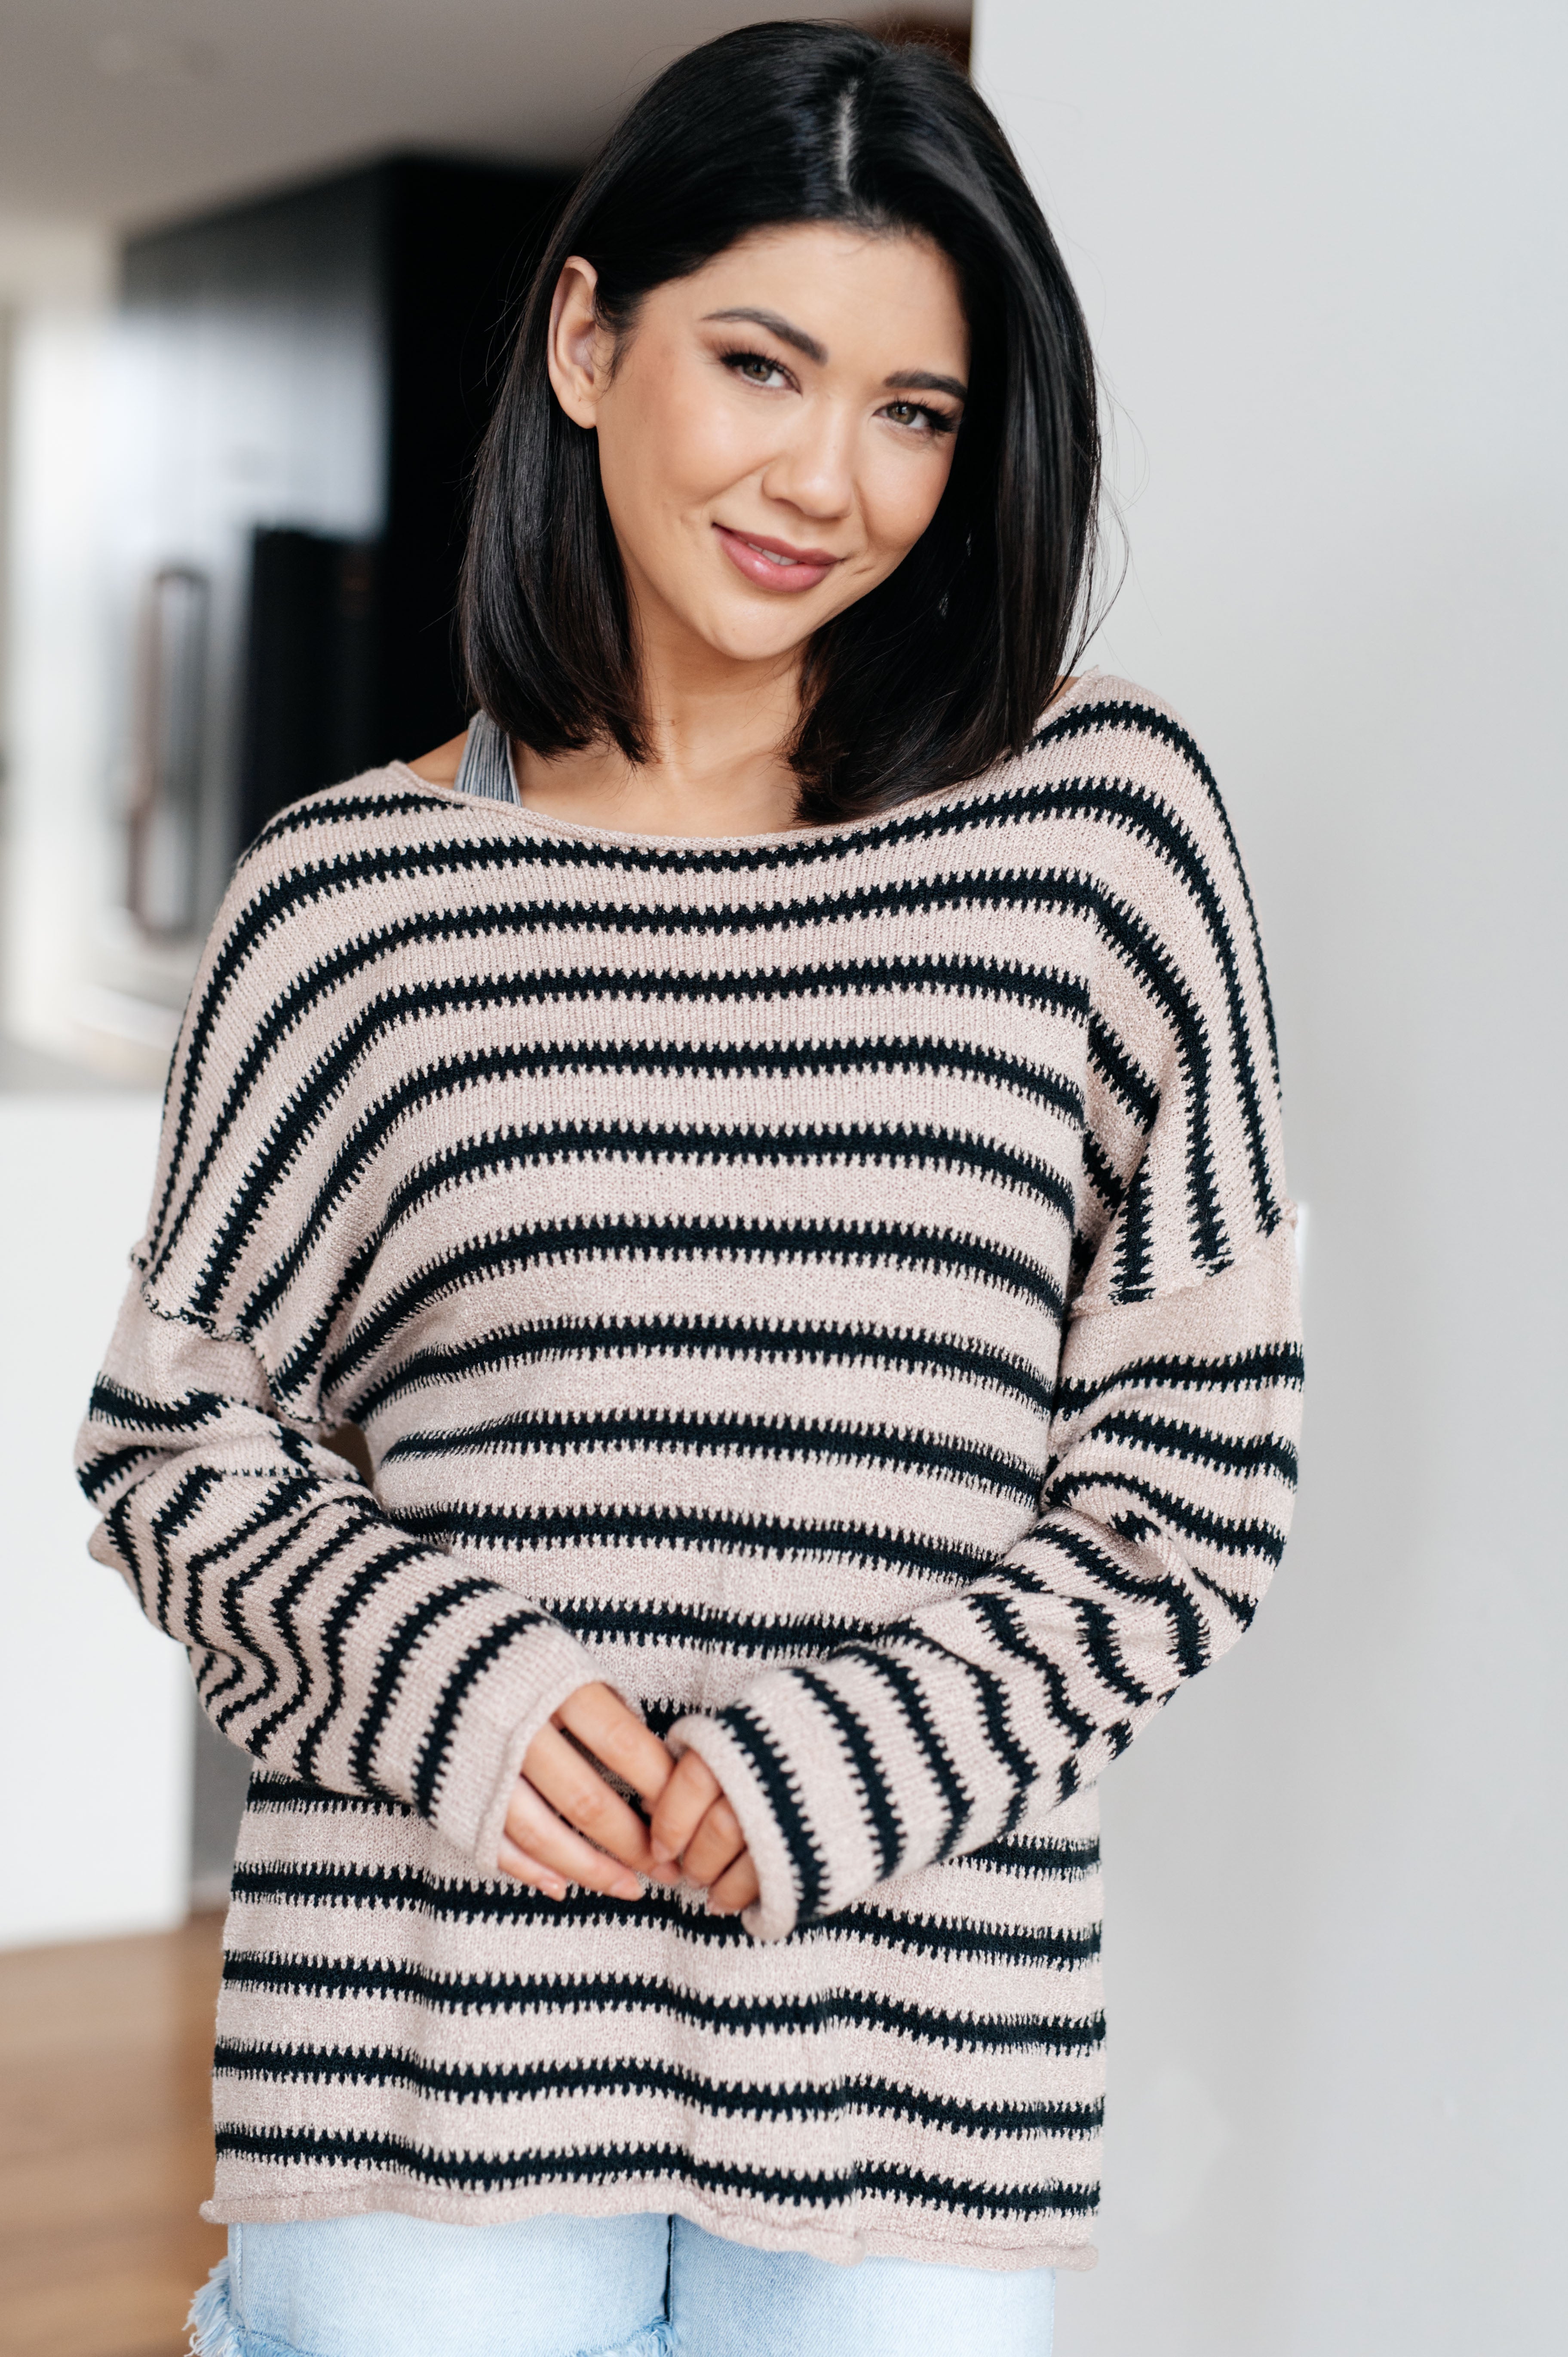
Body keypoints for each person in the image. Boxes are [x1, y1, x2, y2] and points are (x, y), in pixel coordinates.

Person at [76, 22, 1303, 2357]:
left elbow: (1200, 1467)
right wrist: (459, 1685)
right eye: (764, 363)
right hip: (418, 2070)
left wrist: (860, 1757)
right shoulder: (346, 899)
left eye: (914, 412)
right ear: (585, 333)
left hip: (909, 2087)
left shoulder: (1103, 830)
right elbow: (173, 1447)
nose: (827, 477)